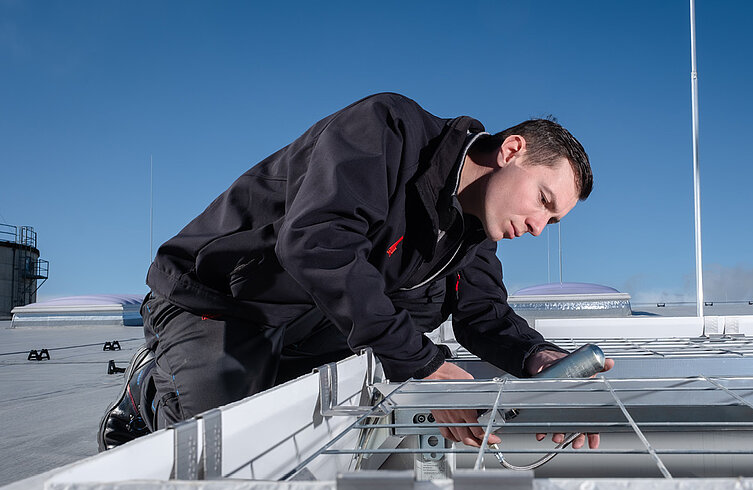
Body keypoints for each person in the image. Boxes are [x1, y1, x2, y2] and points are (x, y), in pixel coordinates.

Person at [98, 92, 613, 453]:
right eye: (543, 201)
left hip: (302, 318)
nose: (539, 227)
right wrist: (422, 368)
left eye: (554, 219)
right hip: (218, 298)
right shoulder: (388, 130)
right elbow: (315, 243)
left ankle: (268, 373)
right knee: (224, 447)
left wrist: (539, 359)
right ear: (511, 150)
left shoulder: (473, 231)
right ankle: (146, 391)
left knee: (420, 310)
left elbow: (482, 314)